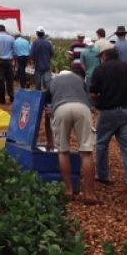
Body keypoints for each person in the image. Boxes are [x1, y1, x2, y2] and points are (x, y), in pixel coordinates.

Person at [89, 41, 127, 191]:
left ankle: (103, 175)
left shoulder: (99, 70)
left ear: (104, 55)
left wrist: (98, 101)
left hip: (108, 111)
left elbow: (93, 93)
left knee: (101, 144)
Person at [44, 70, 98, 204]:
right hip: (82, 108)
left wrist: (50, 140)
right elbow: (89, 98)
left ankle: (68, 190)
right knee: (86, 153)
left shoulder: (53, 82)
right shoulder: (79, 79)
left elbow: (47, 112)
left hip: (61, 109)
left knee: (63, 152)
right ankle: (89, 194)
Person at [0, 24, 16, 104]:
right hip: (9, 61)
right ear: (5, 29)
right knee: (9, 80)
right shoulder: (11, 38)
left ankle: (2, 99)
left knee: (0, 81)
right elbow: (14, 51)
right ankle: (11, 97)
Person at [30, 26, 54, 91]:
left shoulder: (35, 43)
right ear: (43, 33)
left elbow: (31, 54)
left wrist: (33, 62)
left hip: (38, 67)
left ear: (37, 33)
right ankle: (49, 98)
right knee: (48, 83)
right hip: (47, 66)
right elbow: (52, 53)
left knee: (38, 84)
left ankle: (39, 98)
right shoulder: (48, 43)